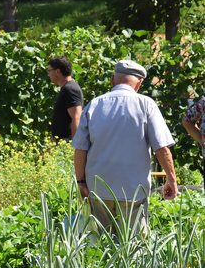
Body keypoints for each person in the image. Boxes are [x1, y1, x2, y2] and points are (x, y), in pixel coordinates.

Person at [73, 60, 177, 234]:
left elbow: (80, 149)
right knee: (134, 249)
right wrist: (171, 180)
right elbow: (162, 148)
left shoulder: (94, 105)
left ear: (113, 80)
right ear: (139, 83)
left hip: (99, 190)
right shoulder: (146, 105)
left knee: (102, 247)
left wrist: (81, 182)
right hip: (133, 191)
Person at [48, 56, 83, 141]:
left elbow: (77, 116)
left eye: (49, 71)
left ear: (57, 71)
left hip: (66, 142)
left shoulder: (70, 89)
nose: (48, 74)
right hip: (60, 142)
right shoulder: (67, 88)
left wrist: (74, 146)